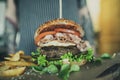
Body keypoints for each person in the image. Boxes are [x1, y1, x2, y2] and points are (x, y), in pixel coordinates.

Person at [13, 0, 95, 55]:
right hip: (27, 52)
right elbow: (11, 16)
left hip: (75, 48)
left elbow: (84, 13)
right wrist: (11, 54)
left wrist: (91, 48)